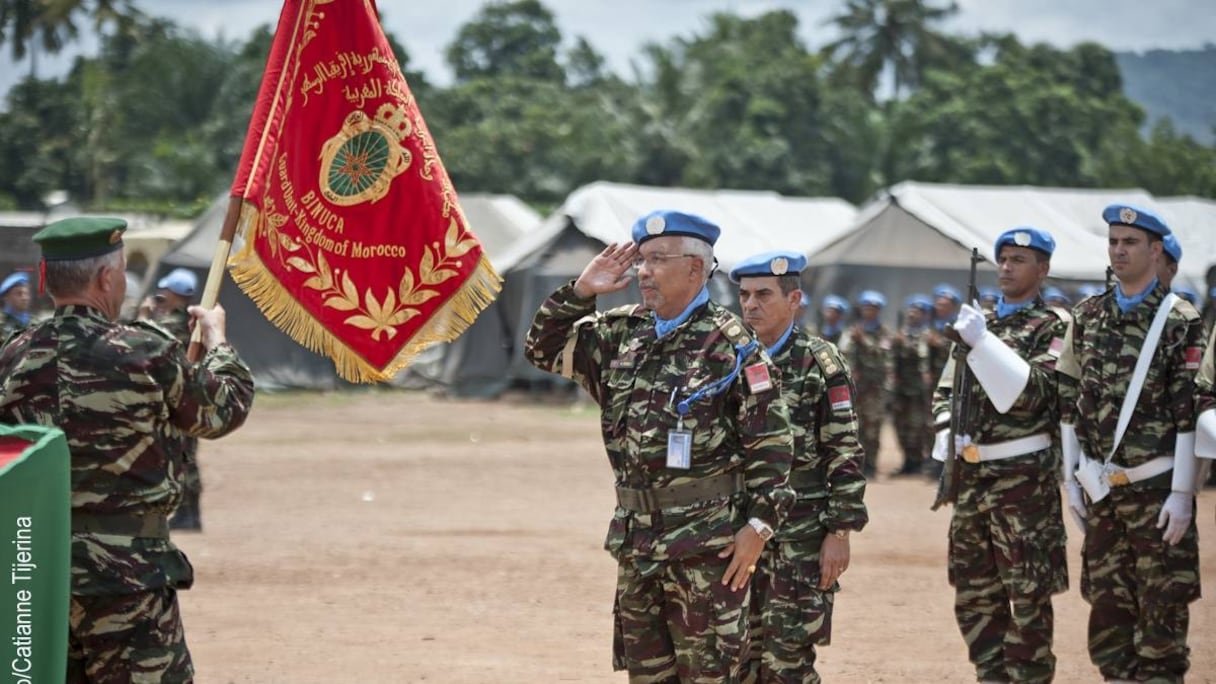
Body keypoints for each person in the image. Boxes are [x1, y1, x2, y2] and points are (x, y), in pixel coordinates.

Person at [523, 210, 795, 682]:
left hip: (708, 552)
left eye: (656, 261)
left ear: (695, 268)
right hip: (638, 545)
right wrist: (581, 292)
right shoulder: (623, 333)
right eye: (641, 261)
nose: (642, 272)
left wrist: (759, 527)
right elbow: (542, 349)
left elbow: (772, 444)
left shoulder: (733, 346)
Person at [0, 216, 255, 682]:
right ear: (105, 278)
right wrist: (218, 343)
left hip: (35, 575)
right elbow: (223, 410)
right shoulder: (146, 351)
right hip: (128, 578)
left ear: (43, 279)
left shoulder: (13, 357)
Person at [1057, 204, 1203, 683]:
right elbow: (1068, 400)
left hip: (1156, 493)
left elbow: (1191, 412)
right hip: (1103, 493)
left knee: (1160, 629)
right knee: (1109, 626)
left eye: (1131, 242)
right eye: (1114, 241)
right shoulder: (1088, 315)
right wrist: (1071, 478)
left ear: (1155, 250)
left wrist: (1183, 494)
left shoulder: (1180, 320)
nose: (1119, 250)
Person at [930, 227, 1069, 683]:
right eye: (1003, 259)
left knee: (1027, 597)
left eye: (1019, 260)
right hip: (973, 478)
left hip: (1023, 480)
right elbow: (946, 392)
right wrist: (947, 431)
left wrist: (985, 343)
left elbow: (1038, 394)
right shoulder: (979, 319)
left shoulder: (1055, 325)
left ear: (1042, 269)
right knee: (974, 595)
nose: (1007, 267)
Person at [730, 251, 868, 683]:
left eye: (764, 295)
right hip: (736, 529)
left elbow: (844, 450)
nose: (751, 305)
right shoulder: (726, 360)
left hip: (801, 536)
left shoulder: (819, 363)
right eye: (745, 295)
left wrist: (839, 532)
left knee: (787, 659)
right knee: (733, 657)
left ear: (794, 300)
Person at [139, 267, 205, 531]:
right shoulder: (194, 321)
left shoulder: (174, 323)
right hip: (190, 397)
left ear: (175, 294)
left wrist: (144, 316)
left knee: (181, 456)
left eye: (165, 292)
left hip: (177, 399)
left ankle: (188, 514)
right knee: (185, 455)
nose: (161, 295)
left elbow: (147, 343)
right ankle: (189, 513)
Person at [838, 290, 891, 479]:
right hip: (855, 388)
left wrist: (864, 341)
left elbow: (883, 355)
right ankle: (854, 465)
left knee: (873, 427)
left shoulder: (884, 332)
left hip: (875, 388)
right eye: (866, 307)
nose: (869, 311)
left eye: (873, 308)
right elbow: (843, 353)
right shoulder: (852, 330)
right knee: (853, 427)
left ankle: (871, 465)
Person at [891, 294, 934, 476]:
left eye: (918, 311)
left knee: (919, 427)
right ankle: (908, 461)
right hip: (902, 390)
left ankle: (921, 462)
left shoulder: (928, 335)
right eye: (912, 310)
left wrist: (906, 344)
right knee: (901, 426)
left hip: (920, 392)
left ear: (925, 315)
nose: (913, 314)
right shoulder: (900, 333)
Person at [1, 271, 33, 339]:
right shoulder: (2, 324)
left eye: (26, 293)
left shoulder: (35, 323)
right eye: (19, 294)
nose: (24, 298)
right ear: (6, 297)